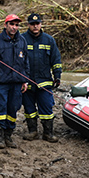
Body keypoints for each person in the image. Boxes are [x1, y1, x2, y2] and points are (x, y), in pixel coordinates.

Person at [0, 14, 29, 149]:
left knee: (13, 109)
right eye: (12, 24)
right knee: (0, 109)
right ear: (5, 25)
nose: (14, 27)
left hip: (17, 83)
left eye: (16, 25)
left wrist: (25, 80)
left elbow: (26, 62)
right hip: (1, 83)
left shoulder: (22, 41)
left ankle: (8, 135)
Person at [21, 13, 62, 143]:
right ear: (28, 25)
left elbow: (56, 60)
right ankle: (32, 131)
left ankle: (48, 133)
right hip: (27, 82)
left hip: (44, 82)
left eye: (37, 23)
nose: (35, 26)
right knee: (29, 109)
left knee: (47, 108)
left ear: (41, 24)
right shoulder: (21, 39)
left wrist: (57, 76)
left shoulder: (49, 40)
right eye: (32, 24)